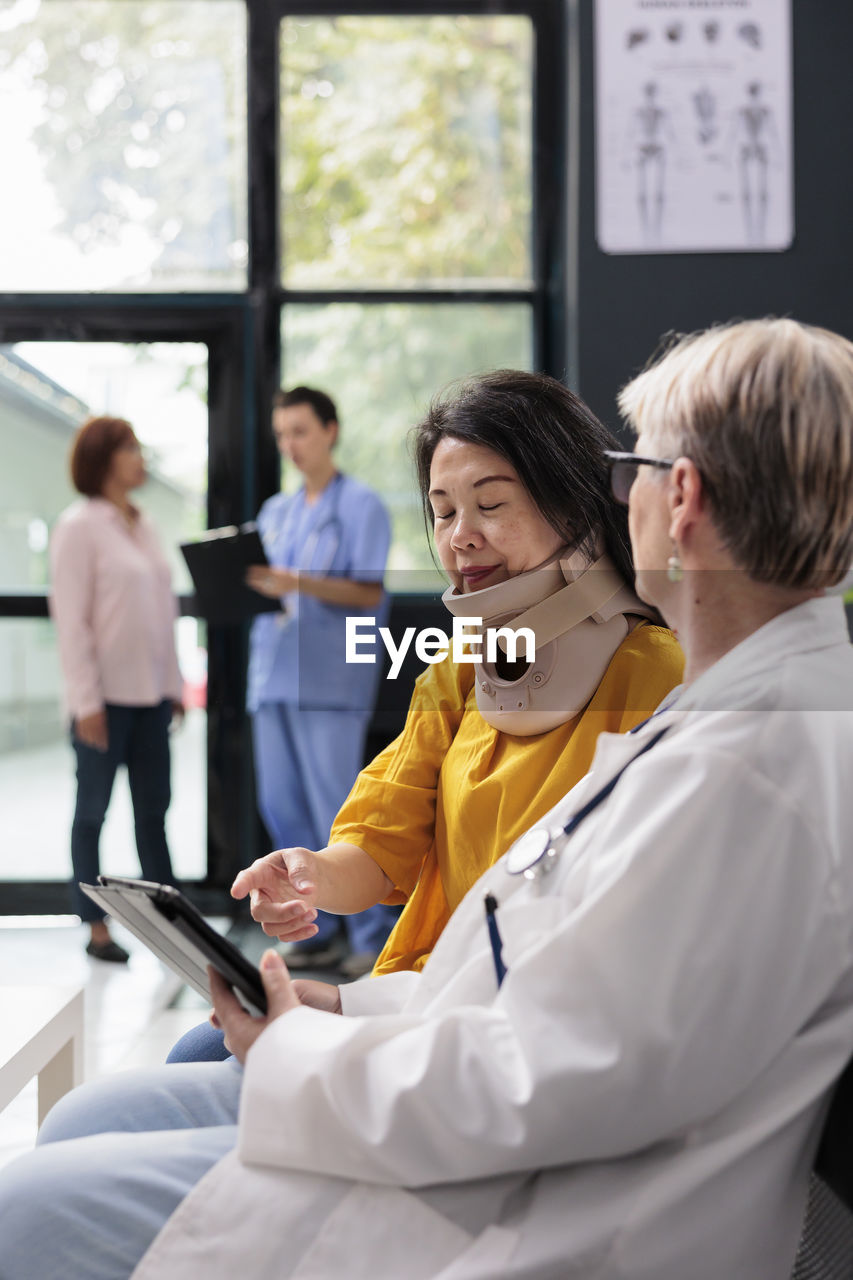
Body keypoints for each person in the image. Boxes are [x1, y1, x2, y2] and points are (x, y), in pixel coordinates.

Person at [4, 317, 852, 1278]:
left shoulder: (732, 759)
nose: (459, 537)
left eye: (634, 472)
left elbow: (546, 1070)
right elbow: (533, 982)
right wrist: (334, 1006)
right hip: (449, 1084)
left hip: (505, 1186)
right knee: (83, 1129)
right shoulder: (737, 720)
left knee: (28, 1206)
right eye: (443, 511)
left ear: (683, 494)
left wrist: (303, 1047)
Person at [166, 369, 683, 1062]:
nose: (459, 538)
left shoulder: (656, 675)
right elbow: (380, 846)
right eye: (442, 512)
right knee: (200, 1047)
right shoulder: (455, 669)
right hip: (424, 996)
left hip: (516, 1027)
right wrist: (309, 873)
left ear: (573, 506)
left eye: (490, 505)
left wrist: (359, 1006)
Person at [243, 385, 398, 976]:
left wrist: (295, 583)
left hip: (331, 678)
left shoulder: (362, 506)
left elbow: (367, 591)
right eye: (282, 435)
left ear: (330, 431)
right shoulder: (275, 512)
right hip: (274, 675)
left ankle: (370, 935)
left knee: (338, 810)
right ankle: (316, 929)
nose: (291, 445)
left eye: (300, 432)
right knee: (281, 806)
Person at [49, 415, 184, 964]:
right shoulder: (79, 526)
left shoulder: (144, 525)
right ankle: (95, 927)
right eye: (129, 448)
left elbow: (163, 613)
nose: (139, 456)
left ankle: (174, 927)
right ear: (104, 459)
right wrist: (86, 703)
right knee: (92, 814)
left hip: (151, 699)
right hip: (102, 704)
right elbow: (72, 622)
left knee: (154, 814)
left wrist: (174, 687)